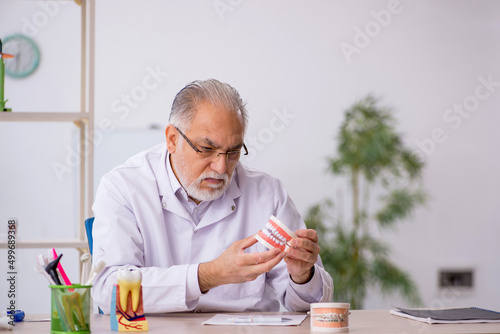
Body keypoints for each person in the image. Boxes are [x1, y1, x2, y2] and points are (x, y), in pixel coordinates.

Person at [91, 79, 333, 313]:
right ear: (172, 139)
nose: (221, 167)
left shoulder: (268, 194)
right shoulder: (123, 187)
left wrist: (302, 276)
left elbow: (306, 306)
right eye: (207, 149)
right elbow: (109, 291)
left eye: (233, 151)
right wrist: (209, 275)